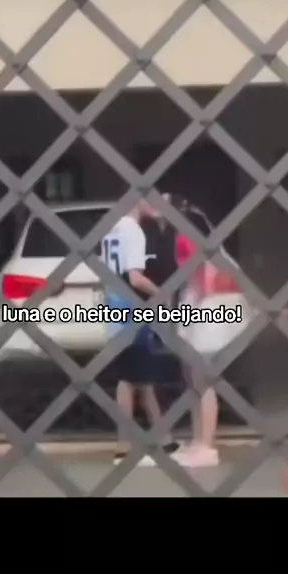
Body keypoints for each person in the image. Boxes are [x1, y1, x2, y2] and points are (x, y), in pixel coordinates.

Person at [101, 199, 177, 466]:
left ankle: (162, 438)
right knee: (132, 376)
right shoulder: (133, 231)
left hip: (113, 305)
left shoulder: (111, 229)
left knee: (137, 375)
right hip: (131, 308)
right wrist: (162, 294)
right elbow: (136, 278)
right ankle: (125, 444)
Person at [172, 201, 222, 468]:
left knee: (200, 379)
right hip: (198, 304)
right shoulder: (203, 241)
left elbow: (198, 279)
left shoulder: (187, 239)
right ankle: (199, 441)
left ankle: (205, 445)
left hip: (199, 306)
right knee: (196, 379)